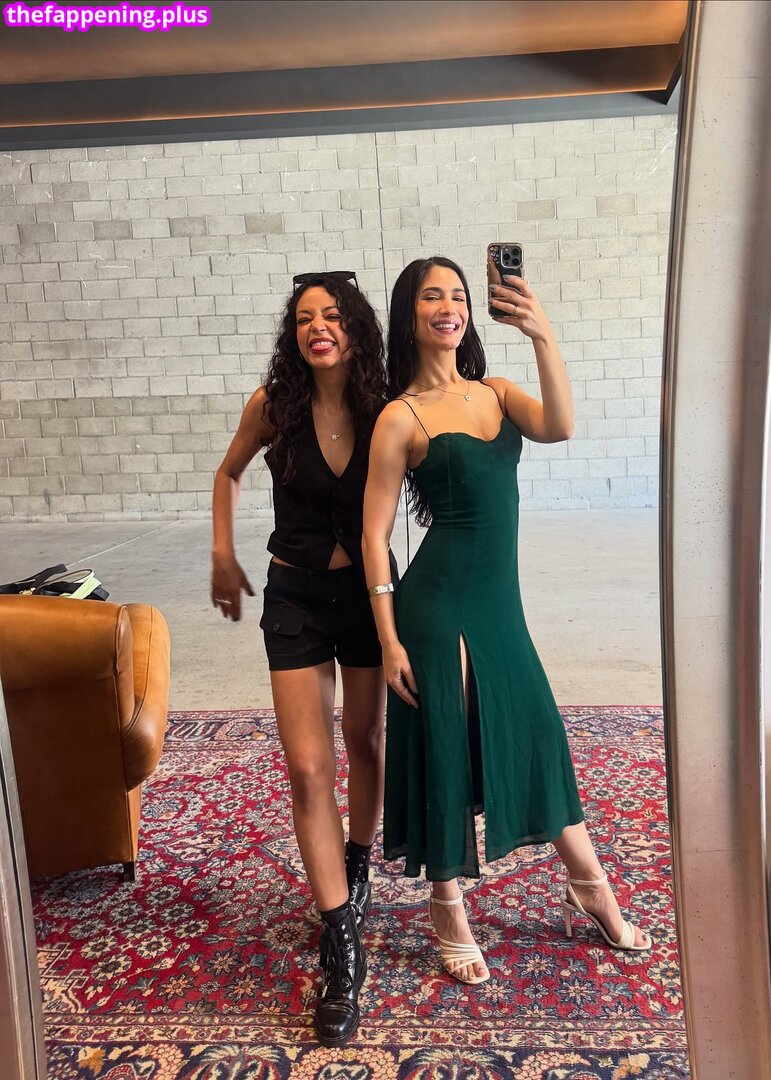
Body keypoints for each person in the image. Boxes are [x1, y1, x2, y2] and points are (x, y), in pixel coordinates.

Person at [362, 256, 651, 986]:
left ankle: (587, 884)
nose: (449, 307)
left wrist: (541, 332)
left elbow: (560, 424)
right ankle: (447, 904)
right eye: (432, 296)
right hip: (436, 607)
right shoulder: (399, 416)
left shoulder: (496, 391)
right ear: (409, 316)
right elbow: (373, 535)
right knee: (446, 745)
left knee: (538, 734)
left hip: (498, 605)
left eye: (458, 295)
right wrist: (388, 637)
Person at [211, 271, 395, 1046]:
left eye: (332, 316)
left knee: (365, 742)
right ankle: (340, 943)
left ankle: (357, 864)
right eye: (304, 319)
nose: (318, 327)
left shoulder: (384, 407)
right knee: (309, 768)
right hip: (293, 598)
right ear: (294, 336)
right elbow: (228, 472)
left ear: (354, 329)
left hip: (367, 597)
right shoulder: (272, 405)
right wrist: (222, 552)